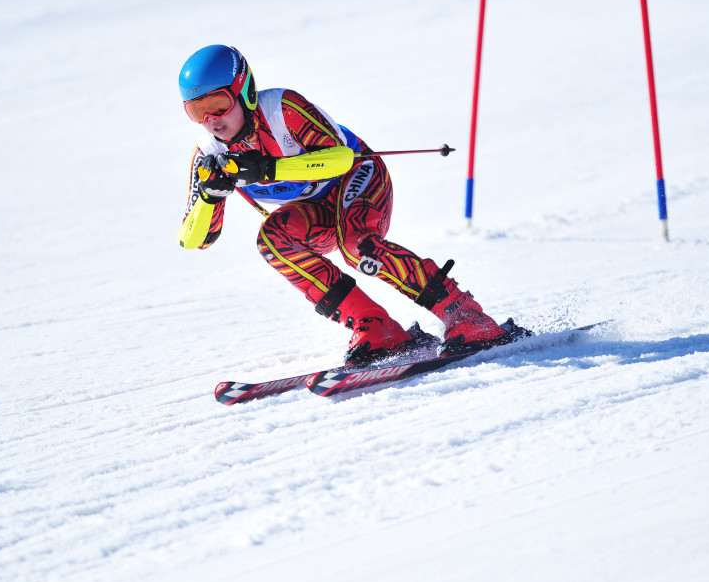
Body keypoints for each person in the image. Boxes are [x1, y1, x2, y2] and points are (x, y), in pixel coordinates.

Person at [177, 44, 519, 365]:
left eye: (218, 104)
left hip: (359, 178)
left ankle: (466, 315)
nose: (210, 119)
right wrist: (210, 196)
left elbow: (340, 158)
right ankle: (376, 327)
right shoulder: (211, 155)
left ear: (245, 92)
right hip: (316, 211)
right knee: (272, 241)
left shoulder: (281, 108)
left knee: (357, 246)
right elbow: (194, 239)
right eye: (196, 111)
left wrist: (269, 168)